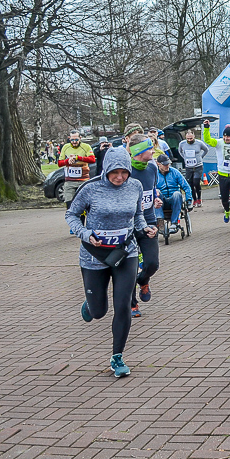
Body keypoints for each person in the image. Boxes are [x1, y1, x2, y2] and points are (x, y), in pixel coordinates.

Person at [67, 147, 157, 378]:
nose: (120, 177)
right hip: (94, 255)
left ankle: (117, 357)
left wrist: (144, 228)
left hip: (125, 252)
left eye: (124, 172)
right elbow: (71, 215)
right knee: (99, 312)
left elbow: (137, 215)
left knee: (123, 304)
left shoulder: (135, 186)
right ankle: (91, 305)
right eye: (115, 172)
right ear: (106, 169)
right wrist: (85, 234)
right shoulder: (90, 188)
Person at [127, 136, 160, 318]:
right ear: (139, 151)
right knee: (130, 266)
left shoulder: (153, 168)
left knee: (152, 263)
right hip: (129, 225)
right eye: (150, 148)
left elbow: (152, 190)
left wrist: (156, 199)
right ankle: (132, 304)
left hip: (149, 221)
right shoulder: (126, 172)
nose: (153, 151)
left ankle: (143, 280)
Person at [203, 121, 230, 230]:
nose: (226, 139)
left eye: (228, 137)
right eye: (225, 136)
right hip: (222, 175)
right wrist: (206, 128)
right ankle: (227, 210)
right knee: (224, 199)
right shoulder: (219, 143)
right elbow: (207, 140)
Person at [58, 130, 96, 211]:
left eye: (76, 140)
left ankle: (82, 218)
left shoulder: (86, 146)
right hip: (69, 181)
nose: (74, 142)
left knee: (84, 206)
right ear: (69, 138)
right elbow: (59, 163)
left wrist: (78, 157)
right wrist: (67, 161)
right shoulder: (65, 147)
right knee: (70, 206)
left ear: (80, 138)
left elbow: (92, 159)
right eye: (72, 140)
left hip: (83, 181)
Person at [154, 154, 192, 234]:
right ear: (158, 164)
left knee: (177, 194)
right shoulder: (154, 174)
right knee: (157, 192)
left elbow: (186, 187)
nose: (167, 166)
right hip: (161, 200)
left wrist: (189, 200)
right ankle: (160, 221)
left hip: (174, 200)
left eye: (168, 164)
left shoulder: (175, 172)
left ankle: (174, 223)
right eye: (165, 164)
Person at [178, 129, 209, 208]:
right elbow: (180, 151)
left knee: (196, 182)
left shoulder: (199, 143)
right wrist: (185, 158)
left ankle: (199, 198)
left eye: (191, 138)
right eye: (188, 138)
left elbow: (206, 150)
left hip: (198, 166)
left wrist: (201, 157)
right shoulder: (182, 144)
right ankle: (194, 199)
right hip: (188, 166)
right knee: (190, 183)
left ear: (194, 136)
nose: (189, 140)